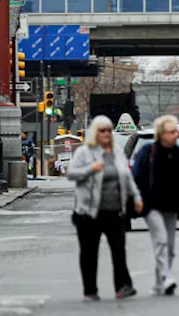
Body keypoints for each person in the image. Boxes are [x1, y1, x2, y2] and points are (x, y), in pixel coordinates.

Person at [66, 116, 141, 302]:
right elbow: (71, 173)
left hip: (114, 210)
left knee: (119, 250)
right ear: (95, 133)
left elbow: (126, 175)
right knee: (90, 252)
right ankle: (90, 290)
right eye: (102, 130)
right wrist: (91, 169)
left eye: (108, 130)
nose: (106, 133)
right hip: (89, 212)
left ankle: (123, 286)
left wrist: (137, 196)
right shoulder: (85, 152)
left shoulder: (116, 152)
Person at [131, 115, 179, 296]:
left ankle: (158, 283)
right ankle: (167, 276)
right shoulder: (148, 151)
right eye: (172, 131)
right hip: (151, 206)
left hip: (171, 206)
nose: (176, 135)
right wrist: (137, 199)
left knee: (170, 247)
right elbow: (136, 176)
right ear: (162, 134)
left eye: (177, 131)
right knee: (161, 240)